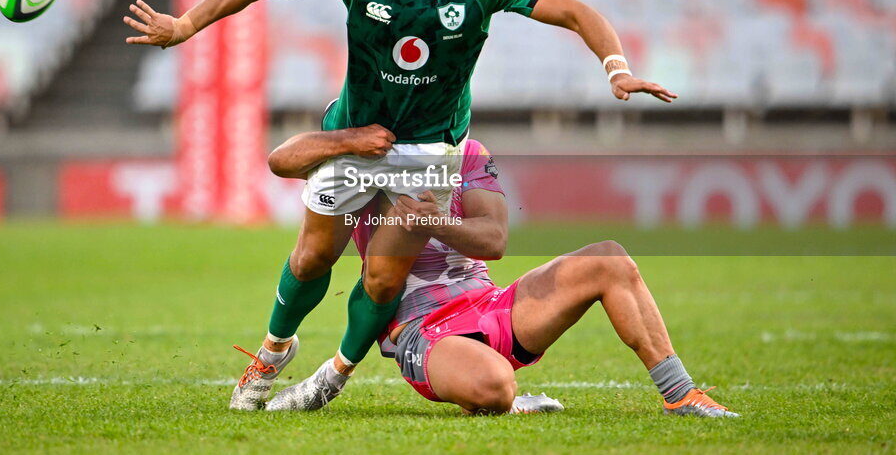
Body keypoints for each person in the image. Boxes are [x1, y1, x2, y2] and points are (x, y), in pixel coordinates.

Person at [123, 0, 677, 412]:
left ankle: (332, 376)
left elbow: (578, 12)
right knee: (315, 254)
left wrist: (616, 69)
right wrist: (187, 24)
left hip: (429, 149)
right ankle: (272, 352)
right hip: (353, 133)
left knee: (385, 276)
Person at [260, 126, 738, 417]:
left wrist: (435, 223)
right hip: (419, 328)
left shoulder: (464, 151)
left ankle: (681, 394)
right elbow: (281, 159)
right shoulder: (355, 152)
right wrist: (346, 137)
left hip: (488, 304)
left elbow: (495, 240)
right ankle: (508, 399)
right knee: (493, 387)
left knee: (607, 258)